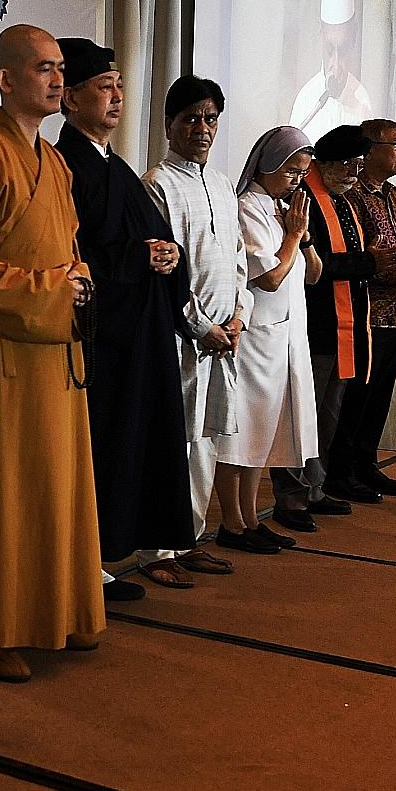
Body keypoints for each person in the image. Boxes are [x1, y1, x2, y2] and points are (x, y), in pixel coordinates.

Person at [0, 24, 104, 682]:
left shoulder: (57, 162)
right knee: (5, 494)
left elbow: (68, 251)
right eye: (44, 68)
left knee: (56, 488)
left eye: (62, 68)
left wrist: (80, 280)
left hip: (58, 352)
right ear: (6, 79)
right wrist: (51, 289)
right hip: (8, 352)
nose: (58, 79)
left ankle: (54, 611)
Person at [53, 38, 196, 603]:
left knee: (136, 442)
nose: (116, 96)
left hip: (142, 331)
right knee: (104, 444)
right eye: (103, 88)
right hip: (105, 340)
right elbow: (76, 250)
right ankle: (90, 557)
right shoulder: (67, 164)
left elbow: (146, 239)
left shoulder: (116, 166)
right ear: (70, 100)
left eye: (118, 86)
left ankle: (108, 552)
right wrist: (142, 258)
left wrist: (171, 257)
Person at [270, 125, 396, 531]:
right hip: (312, 324)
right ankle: (292, 496)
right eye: (347, 164)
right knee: (302, 415)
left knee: (327, 416)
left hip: (342, 325)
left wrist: (374, 261)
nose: (354, 172)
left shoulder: (341, 201)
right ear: (324, 164)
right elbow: (316, 270)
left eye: (357, 164)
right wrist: (372, 264)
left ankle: (315, 488)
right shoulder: (305, 200)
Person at [141, 76, 246, 585]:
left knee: (206, 442)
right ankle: (161, 550)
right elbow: (163, 271)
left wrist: (239, 316)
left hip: (224, 338)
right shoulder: (158, 183)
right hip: (182, 338)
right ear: (169, 125)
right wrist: (200, 326)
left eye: (210, 119)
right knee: (175, 441)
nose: (202, 129)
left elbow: (238, 261)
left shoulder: (223, 185)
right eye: (190, 119)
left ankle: (190, 537)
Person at [212, 127, 322, 552]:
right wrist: (292, 235)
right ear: (268, 165)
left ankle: (250, 519)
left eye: (302, 173)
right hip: (253, 336)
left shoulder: (281, 209)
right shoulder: (247, 208)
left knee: (262, 432)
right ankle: (232, 522)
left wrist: (305, 237)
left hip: (285, 337)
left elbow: (312, 275)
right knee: (239, 433)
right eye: (291, 171)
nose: (297, 180)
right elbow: (272, 277)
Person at [335, 119, 396, 496]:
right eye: (395, 145)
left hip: (395, 312)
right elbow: (357, 259)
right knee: (355, 396)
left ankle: (367, 463)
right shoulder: (350, 194)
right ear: (369, 149)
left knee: (379, 395)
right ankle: (341, 472)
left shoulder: (393, 195)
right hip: (361, 314)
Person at [289, 0, 373, 137]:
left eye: (342, 51)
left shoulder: (363, 103)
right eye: (329, 50)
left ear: (354, 38)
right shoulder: (305, 102)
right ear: (320, 34)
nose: (335, 64)